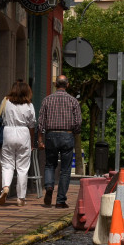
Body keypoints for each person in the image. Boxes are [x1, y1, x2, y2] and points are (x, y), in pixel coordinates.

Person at [38, 75, 82, 208]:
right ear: (67, 85)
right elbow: (78, 122)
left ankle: (49, 186)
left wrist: (40, 139)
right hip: (67, 135)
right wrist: (73, 132)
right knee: (65, 169)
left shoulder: (46, 100)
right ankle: (60, 200)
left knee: (50, 165)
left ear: (56, 84)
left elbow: (41, 122)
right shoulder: (73, 101)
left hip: (51, 135)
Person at [0, 80, 37, 207]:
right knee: (22, 167)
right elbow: (32, 124)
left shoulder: (5, 101)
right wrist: (31, 141)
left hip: (8, 132)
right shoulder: (29, 105)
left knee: (7, 164)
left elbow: (1, 118)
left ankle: (5, 187)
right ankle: (20, 198)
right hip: (23, 133)